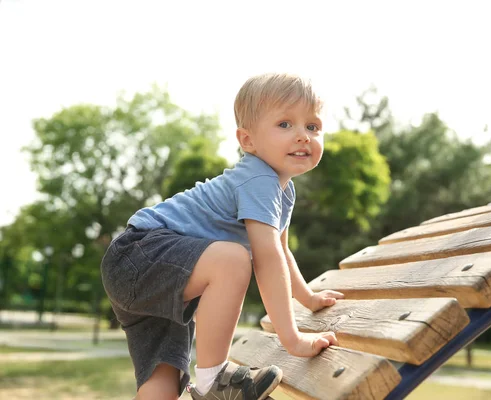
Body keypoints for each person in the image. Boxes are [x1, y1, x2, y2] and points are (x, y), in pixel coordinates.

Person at [100, 72, 345, 400]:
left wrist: (309, 298)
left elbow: (282, 252)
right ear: (248, 141)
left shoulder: (282, 192)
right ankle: (214, 379)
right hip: (141, 254)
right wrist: (293, 338)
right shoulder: (259, 178)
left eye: (312, 127)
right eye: (285, 124)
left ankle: (205, 380)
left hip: (146, 272)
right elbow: (267, 257)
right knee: (233, 259)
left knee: (163, 375)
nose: (303, 136)